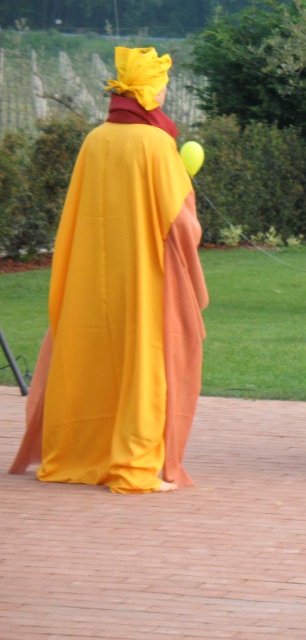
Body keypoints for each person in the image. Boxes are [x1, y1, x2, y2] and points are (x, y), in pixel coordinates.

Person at [8, 46, 208, 493]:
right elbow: (179, 223)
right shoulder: (156, 144)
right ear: (148, 90)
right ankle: (134, 464)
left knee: (90, 358)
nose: (164, 91)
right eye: (161, 84)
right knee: (143, 361)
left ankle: (78, 453)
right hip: (143, 276)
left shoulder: (95, 140)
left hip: (92, 275)